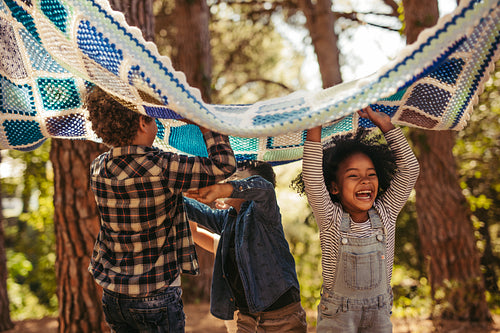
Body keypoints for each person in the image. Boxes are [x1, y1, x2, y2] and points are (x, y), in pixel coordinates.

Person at [85, 85, 236, 333]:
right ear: (143, 123)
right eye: (154, 117)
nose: (158, 124)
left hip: (113, 295)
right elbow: (224, 165)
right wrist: (206, 125)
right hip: (155, 295)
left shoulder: (98, 167)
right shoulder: (163, 166)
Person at [297, 106, 419, 332]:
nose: (364, 180)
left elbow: (410, 170)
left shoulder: (386, 212)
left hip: (379, 314)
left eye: (371, 174)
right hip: (338, 316)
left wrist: (386, 125)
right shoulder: (331, 218)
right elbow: (312, 178)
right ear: (334, 187)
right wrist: (315, 127)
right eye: (353, 175)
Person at [184, 161, 308, 333]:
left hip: (281, 316)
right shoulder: (229, 218)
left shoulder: (263, 212)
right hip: (247, 318)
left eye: (235, 179)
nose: (228, 182)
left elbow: (264, 188)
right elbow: (196, 212)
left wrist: (223, 189)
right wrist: (184, 190)